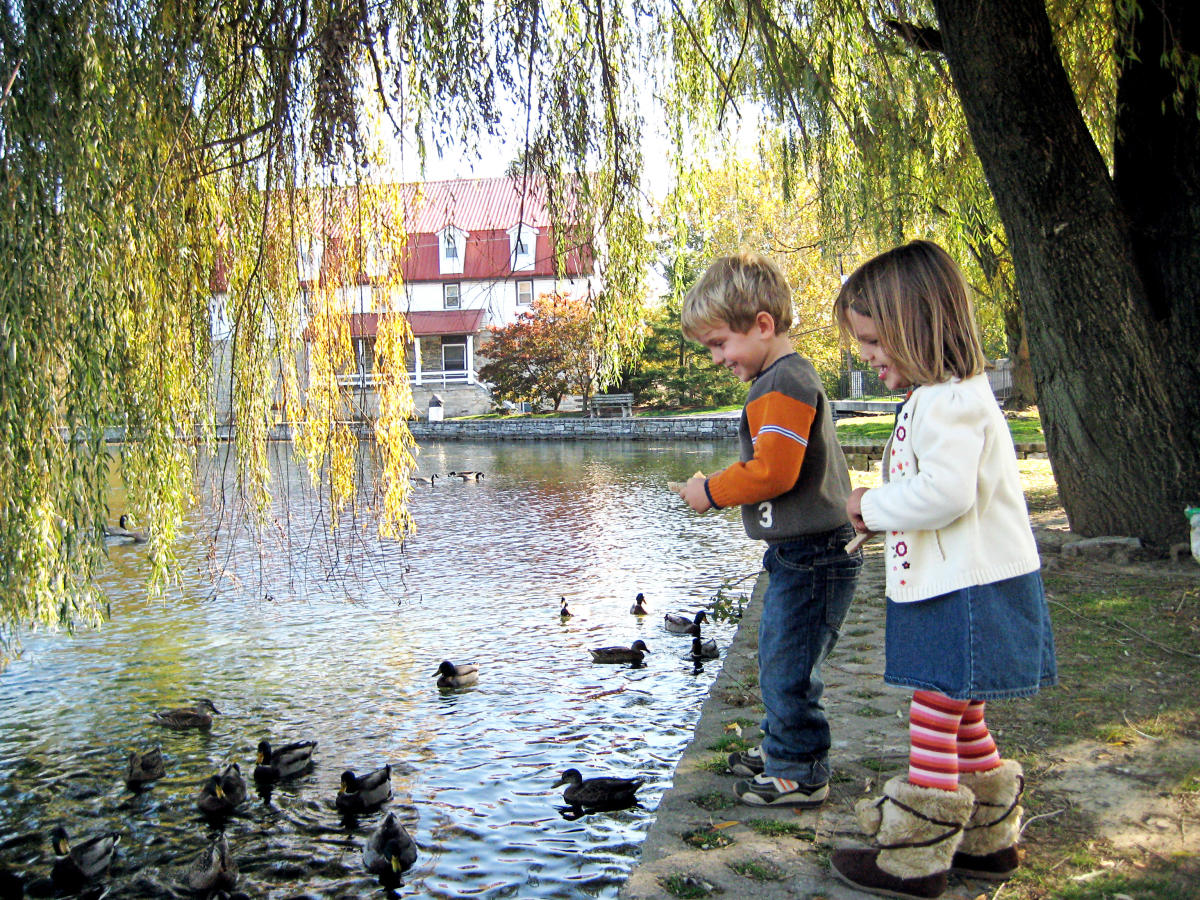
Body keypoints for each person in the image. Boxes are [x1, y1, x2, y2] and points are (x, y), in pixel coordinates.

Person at [830, 239, 1057, 900]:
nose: (868, 358)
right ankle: (990, 841)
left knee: (933, 709)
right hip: (966, 585)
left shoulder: (949, 402)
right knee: (963, 716)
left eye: (874, 342)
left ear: (914, 328)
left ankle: (915, 858)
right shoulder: (947, 397)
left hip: (966, 591)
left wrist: (871, 503)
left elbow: (947, 493)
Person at [676, 250, 862, 808]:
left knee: (789, 662)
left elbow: (773, 471)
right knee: (781, 654)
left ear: (762, 325)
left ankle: (800, 771)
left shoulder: (783, 383)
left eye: (719, 344)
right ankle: (785, 747)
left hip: (813, 553)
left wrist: (708, 491)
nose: (716, 359)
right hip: (801, 552)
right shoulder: (779, 379)